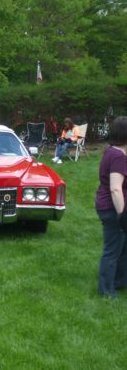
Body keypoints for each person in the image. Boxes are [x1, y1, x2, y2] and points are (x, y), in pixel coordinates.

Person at [95, 116, 127, 298]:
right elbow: (115, 188)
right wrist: (122, 216)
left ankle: (119, 282)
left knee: (123, 247)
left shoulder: (112, 151)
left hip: (112, 206)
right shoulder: (117, 156)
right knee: (113, 250)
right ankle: (106, 291)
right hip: (113, 208)